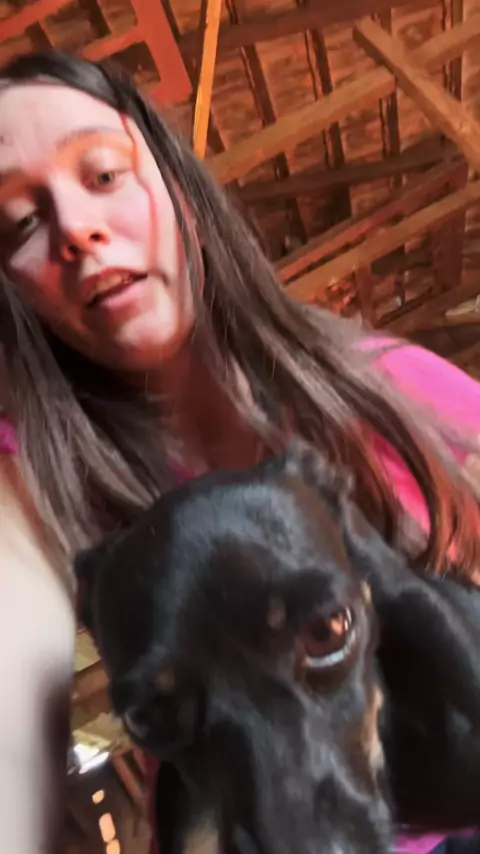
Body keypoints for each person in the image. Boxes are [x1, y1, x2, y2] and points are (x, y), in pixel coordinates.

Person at [0, 49, 479, 854]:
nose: (76, 230)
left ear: (180, 186)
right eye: (19, 223)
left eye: (105, 174)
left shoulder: (394, 388)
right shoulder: (32, 484)